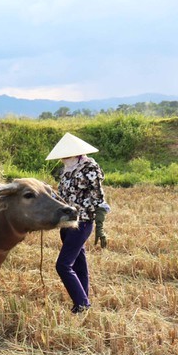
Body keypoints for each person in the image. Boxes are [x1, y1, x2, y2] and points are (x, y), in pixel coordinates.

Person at [46, 132, 109, 314]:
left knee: (63, 265)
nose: (63, 157)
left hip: (81, 222)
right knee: (78, 264)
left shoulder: (90, 168)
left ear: (76, 152)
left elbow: (98, 198)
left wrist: (100, 226)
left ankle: (82, 304)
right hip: (66, 223)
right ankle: (83, 303)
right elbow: (63, 196)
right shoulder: (66, 170)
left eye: (66, 153)